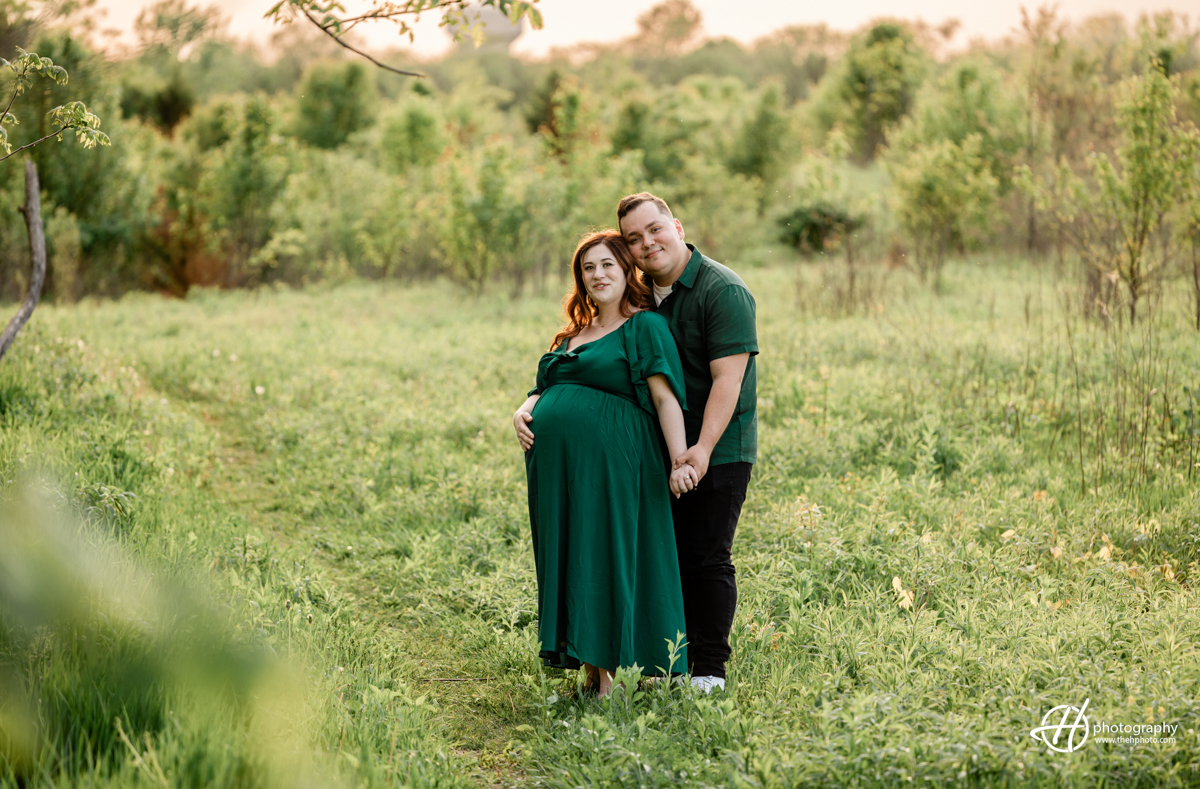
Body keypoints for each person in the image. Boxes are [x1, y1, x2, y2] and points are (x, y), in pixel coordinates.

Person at [512, 230, 698, 697]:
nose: (598, 275)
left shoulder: (644, 327)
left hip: (616, 467)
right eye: (588, 268)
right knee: (575, 558)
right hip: (560, 476)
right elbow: (548, 384)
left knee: (606, 558)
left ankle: (612, 682)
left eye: (607, 265)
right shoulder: (574, 334)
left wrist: (680, 459)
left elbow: (664, 396)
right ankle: (592, 672)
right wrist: (525, 406)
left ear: (627, 270)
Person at [617, 192, 758, 694]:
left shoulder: (723, 290)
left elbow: (728, 381)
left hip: (719, 448)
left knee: (706, 555)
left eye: (654, 229)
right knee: (664, 554)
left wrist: (700, 449)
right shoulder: (636, 297)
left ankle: (709, 670)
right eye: (633, 238)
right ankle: (667, 664)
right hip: (659, 450)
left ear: (676, 227)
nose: (646, 243)